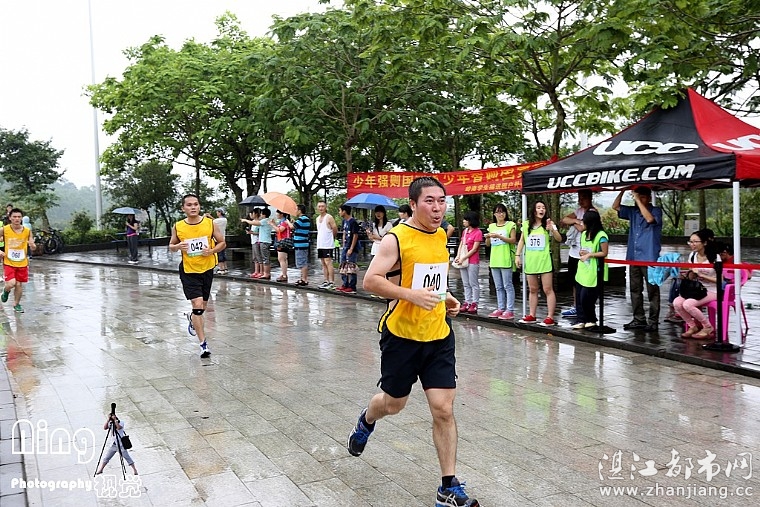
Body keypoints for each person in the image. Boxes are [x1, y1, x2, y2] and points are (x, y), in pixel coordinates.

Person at [348, 176, 479, 507]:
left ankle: (448, 487)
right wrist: (410, 295)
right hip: (402, 337)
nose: (437, 208)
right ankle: (367, 419)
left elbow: (431, 279)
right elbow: (370, 281)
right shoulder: (396, 239)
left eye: (441, 201)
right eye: (429, 201)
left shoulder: (442, 234)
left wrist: (446, 296)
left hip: (438, 335)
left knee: (443, 409)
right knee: (394, 404)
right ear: (413, 204)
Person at [169, 194, 226, 358]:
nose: (193, 207)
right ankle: (203, 345)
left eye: (196, 204)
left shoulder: (209, 223)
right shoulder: (178, 226)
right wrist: (178, 246)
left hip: (207, 269)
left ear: (199, 206)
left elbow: (222, 242)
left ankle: (192, 317)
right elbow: (171, 245)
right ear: (183, 208)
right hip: (189, 270)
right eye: (189, 205)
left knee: (202, 307)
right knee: (198, 304)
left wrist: (212, 250)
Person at [613, 186, 663, 332]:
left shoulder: (656, 211)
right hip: (634, 257)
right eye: (637, 197)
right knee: (635, 289)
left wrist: (637, 200)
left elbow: (649, 219)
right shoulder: (633, 212)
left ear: (648, 198)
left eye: (642, 197)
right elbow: (615, 206)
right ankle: (638, 319)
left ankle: (653, 321)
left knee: (652, 291)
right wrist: (623, 190)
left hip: (649, 258)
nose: (638, 199)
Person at [515, 200, 563, 326]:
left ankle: (550, 317)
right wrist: (517, 255)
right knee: (533, 289)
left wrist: (552, 229)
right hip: (531, 261)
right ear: (534, 210)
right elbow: (522, 241)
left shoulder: (548, 223)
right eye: (539, 207)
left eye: (543, 207)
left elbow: (559, 239)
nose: (541, 210)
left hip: (544, 261)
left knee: (547, 289)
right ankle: (532, 315)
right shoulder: (526, 225)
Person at [674, 229, 719, 339]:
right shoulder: (692, 255)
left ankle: (707, 327)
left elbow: (720, 280)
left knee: (688, 304)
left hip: (712, 290)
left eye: (695, 242)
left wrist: (702, 275)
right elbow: (692, 276)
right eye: (690, 241)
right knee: (677, 303)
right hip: (696, 289)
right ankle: (692, 326)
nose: (692, 244)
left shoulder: (715, 257)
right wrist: (686, 274)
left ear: (704, 243)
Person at [560, 189, 595, 318]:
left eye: (584, 198)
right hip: (574, 252)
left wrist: (575, 222)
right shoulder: (579, 211)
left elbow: (582, 228)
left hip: (585, 253)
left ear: (590, 198)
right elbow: (564, 219)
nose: (581, 200)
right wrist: (576, 221)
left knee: (584, 282)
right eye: (579, 198)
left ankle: (585, 308)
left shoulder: (593, 212)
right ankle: (576, 306)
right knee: (574, 281)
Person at [571, 210, 609, 329]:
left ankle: (591, 319)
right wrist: (582, 253)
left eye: (584, 221)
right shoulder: (583, 234)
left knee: (586, 297)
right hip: (583, 269)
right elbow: (583, 248)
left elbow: (604, 252)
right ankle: (581, 320)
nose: (582, 223)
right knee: (579, 296)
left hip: (594, 270)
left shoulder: (601, 236)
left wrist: (590, 255)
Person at [0, 208, 37, 313]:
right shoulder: (4, 229)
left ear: (21, 218)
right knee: (11, 283)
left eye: (19, 217)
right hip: (9, 261)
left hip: (22, 262)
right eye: (14, 217)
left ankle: (16, 304)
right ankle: (6, 291)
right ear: (10, 218)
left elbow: (33, 246)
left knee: (19, 284)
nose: (17, 219)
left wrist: (32, 245)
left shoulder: (27, 231)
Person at [485, 203, 517, 319]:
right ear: (494, 214)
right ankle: (500, 308)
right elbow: (488, 244)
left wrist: (499, 236)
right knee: (498, 286)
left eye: (502, 212)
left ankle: (510, 309)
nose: (501, 214)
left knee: (507, 285)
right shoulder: (491, 226)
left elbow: (513, 240)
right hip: (494, 259)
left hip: (505, 258)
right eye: (498, 212)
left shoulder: (510, 225)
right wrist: (488, 237)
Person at [454, 211, 483, 315]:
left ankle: (475, 303)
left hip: (472, 261)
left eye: (466, 219)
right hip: (463, 260)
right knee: (466, 283)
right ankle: (467, 301)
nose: (464, 221)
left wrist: (463, 258)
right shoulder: (465, 231)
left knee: (473, 283)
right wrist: (458, 256)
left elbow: (474, 249)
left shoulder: (478, 232)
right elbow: (461, 244)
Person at [315, 201, 338, 289]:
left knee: (328, 262)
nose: (321, 208)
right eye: (319, 206)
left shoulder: (329, 217)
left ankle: (332, 282)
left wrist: (332, 238)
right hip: (320, 243)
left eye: (322, 206)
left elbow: (334, 228)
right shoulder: (317, 218)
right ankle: (326, 280)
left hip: (327, 244)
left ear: (325, 207)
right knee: (323, 263)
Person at [337, 205, 360, 294]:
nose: (339, 212)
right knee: (343, 265)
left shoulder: (353, 222)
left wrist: (351, 248)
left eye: (340, 210)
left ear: (344, 211)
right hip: (345, 246)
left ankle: (352, 286)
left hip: (351, 247)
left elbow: (355, 235)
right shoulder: (344, 221)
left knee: (351, 266)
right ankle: (345, 283)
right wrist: (343, 244)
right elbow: (344, 232)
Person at [293, 204, 312, 286]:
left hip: (301, 243)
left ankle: (304, 279)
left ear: (300, 210)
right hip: (301, 243)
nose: (295, 211)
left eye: (296, 209)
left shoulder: (302, 219)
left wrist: (288, 221)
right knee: (301, 261)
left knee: (302, 262)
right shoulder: (304, 219)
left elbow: (293, 226)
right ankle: (302, 278)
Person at [274, 210, 293, 282]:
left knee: (281, 259)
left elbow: (279, 230)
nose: (276, 214)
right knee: (284, 259)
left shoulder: (284, 222)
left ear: (281, 214)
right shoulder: (284, 222)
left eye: (277, 213)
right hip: (283, 241)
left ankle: (284, 275)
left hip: (283, 242)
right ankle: (284, 274)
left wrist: (272, 224)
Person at [243, 209, 261, 277]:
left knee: (258, 257)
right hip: (253, 241)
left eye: (252, 213)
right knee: (255, 257)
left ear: (255, 214)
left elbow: (260, 232)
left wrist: (252, 232)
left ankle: (260, 271)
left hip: (257, 241)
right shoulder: (253, 222)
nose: (250, 215)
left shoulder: (259, 222)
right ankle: (256, 271)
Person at [212, 208, 228, 274]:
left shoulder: (217, 220)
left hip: (217, 239)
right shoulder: (224, 220)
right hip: (223, 239)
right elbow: (215, 221)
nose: (216, 213)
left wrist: (205, 216)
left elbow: (211, 222)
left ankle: (221, 269)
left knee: (219, 254)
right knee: (223, 254)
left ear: (220, 212)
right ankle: (225, 268)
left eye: (217, 212)